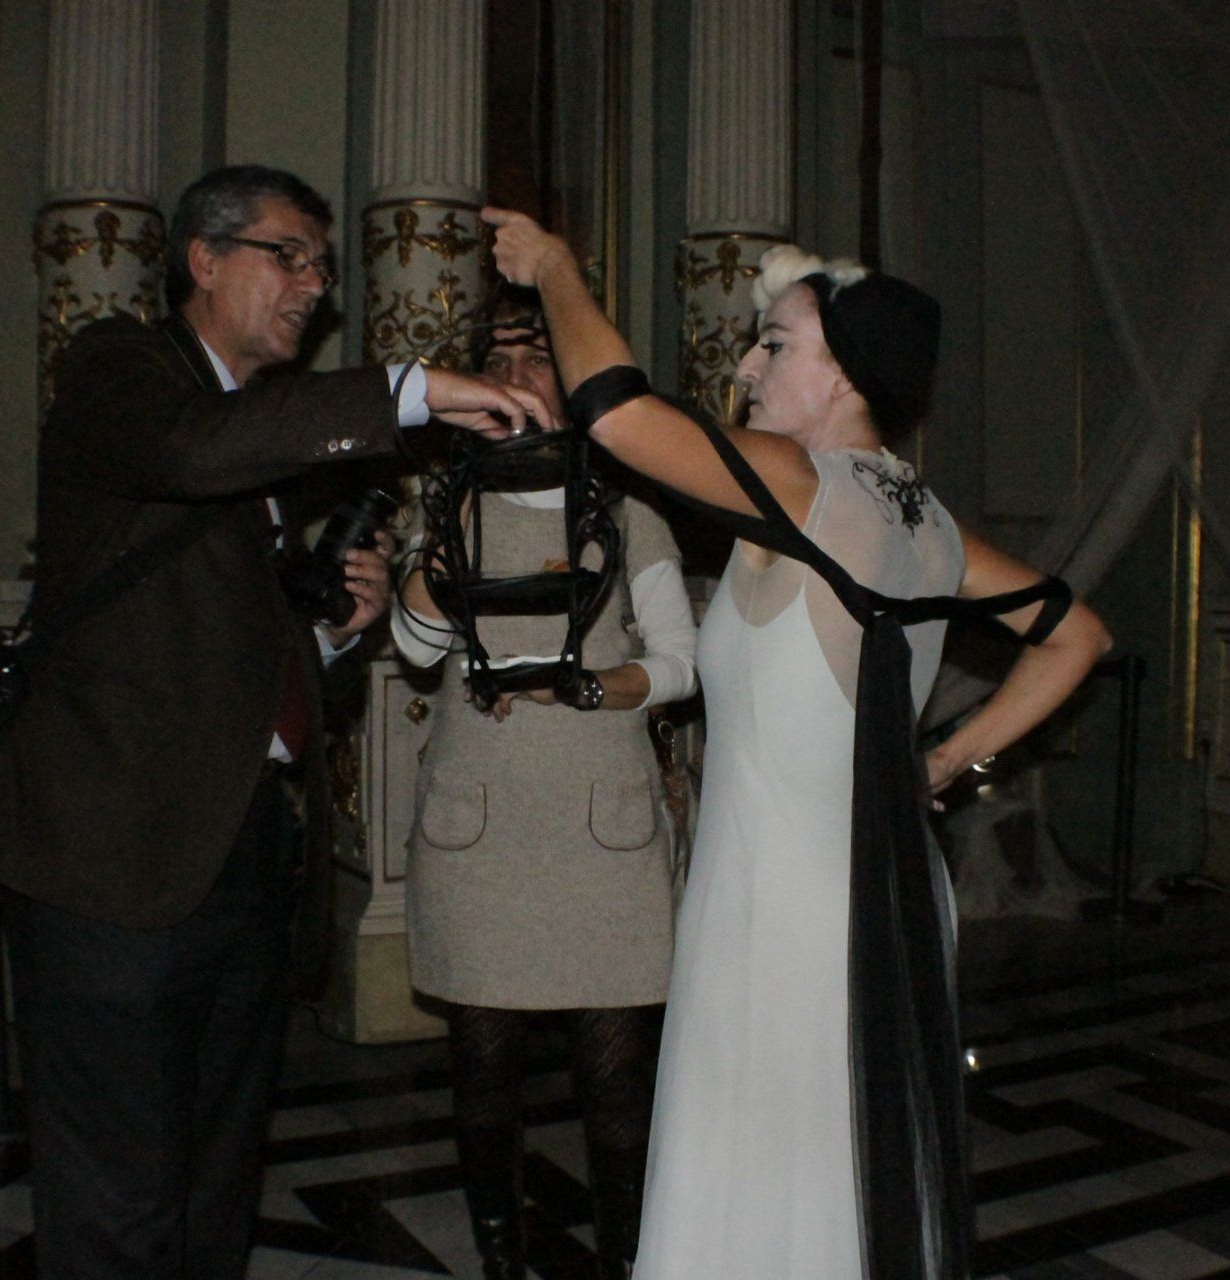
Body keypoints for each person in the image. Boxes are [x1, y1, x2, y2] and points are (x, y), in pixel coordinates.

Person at [483, 207, 1112, 1280]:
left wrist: (553, 269)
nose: (748, 364)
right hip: (887, 890)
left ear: (845, 376)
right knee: (835, 1178)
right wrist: (945, 761)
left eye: (775, 343)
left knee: (760, 1180)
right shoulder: (926, 519)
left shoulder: (799, 483)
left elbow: (616, 415)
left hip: (778, 911)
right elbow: (1078, 635)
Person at [0, 165, 547, 1280]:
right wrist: (411, 388)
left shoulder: (258, 438)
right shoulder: (122, 369)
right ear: (205, 259)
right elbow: (183, 454)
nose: (316, 286)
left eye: (324, 266)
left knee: (215, 1178)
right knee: (119, 1194)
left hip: (242, 854)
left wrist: (332, 636)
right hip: (116, 861)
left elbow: (219, 648)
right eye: (290, 256)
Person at [392, 289, 699, 1280]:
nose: (517, 373)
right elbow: (414, 645)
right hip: (481, 828)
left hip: (600, 827)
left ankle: (625, 1261)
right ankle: (500, 1260)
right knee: (484, 1069)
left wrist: (590, 686)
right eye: (498, 358)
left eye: (538, 356)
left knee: (615, 1077)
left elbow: (683, 662)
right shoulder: (448, 509)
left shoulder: (628, 511)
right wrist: (448, 525)